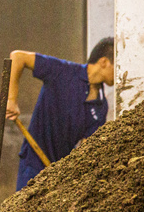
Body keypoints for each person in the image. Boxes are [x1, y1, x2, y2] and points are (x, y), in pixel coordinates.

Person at [6, 37, 115, 191]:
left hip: (59, 175)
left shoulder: (100, 105)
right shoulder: (63, 71)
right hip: (33, 163)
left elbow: (89, 146)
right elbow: (18, 57)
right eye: (117, 65)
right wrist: (11, 100)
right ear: (104, 62)